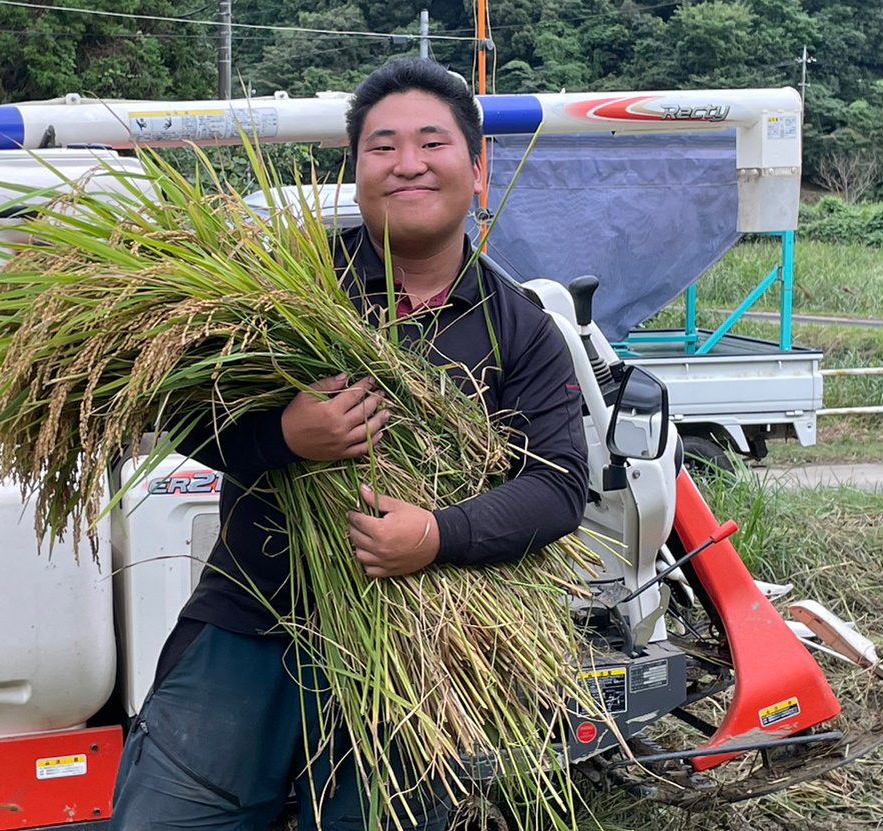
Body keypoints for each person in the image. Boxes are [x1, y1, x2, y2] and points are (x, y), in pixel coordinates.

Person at [111, 58, 589, 831]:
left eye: (431, 143)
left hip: (414, 638)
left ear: (475, 171)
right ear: (356, 170)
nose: (407, 163)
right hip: (250, 617)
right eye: (382, 146)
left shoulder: (520, 327)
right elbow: (182, 411)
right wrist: (285, 436)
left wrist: (437, 534)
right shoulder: (284, 282)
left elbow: (560, 486)